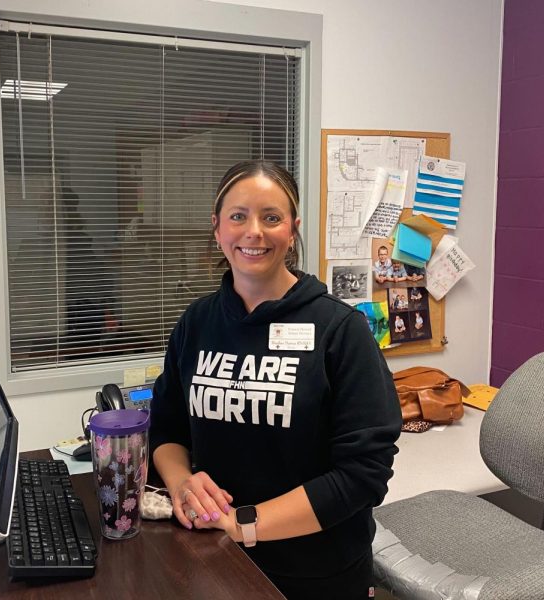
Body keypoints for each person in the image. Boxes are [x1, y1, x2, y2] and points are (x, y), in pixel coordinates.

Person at [150, 160, 402, 599]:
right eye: (238, 216)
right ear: (217, 227)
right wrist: (181, 484)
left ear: (292, 229)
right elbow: (167, 428)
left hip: (315, 572)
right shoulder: (197, 322)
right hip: (211, 551)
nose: (254, 232)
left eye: (271, 218)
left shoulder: (339, 330)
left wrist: (246, 523)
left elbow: (364, 475)